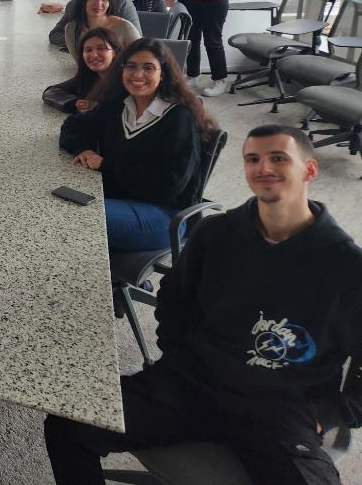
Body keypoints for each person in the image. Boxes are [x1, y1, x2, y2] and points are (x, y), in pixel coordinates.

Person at [45, 123, 361, 485]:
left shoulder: (348, 268)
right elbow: (174, 301)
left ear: (309, 169)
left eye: (278, 158)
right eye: (252, 159)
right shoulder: (215, 233)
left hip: (279, 409)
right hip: (189, 385)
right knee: (67, 425)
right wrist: (180, 359)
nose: (264, 168)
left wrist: (326, 413)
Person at [59, 37, 216, 251]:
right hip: (119, 198)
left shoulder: (179, 118)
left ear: (163, 74)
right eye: (130, 66)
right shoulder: (119, 105)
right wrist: (84, 149)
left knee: (74, 219)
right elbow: (73, 126)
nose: (137, 75)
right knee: (58, 205)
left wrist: (106, 165)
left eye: (148, 68)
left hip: (163, 215)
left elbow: (166, 185)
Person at [42, 27, 122, 114]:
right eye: (88, 50)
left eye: (101, 48)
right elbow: (51, 92)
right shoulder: (88, 76)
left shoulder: (127, 78)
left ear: (115, 52)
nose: (94, 55)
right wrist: (77, 104)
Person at [63, 0, 141, 59]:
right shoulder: (71, 28)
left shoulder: (125, 27)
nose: (99, 3)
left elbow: (141, 59)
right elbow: (79, 62)